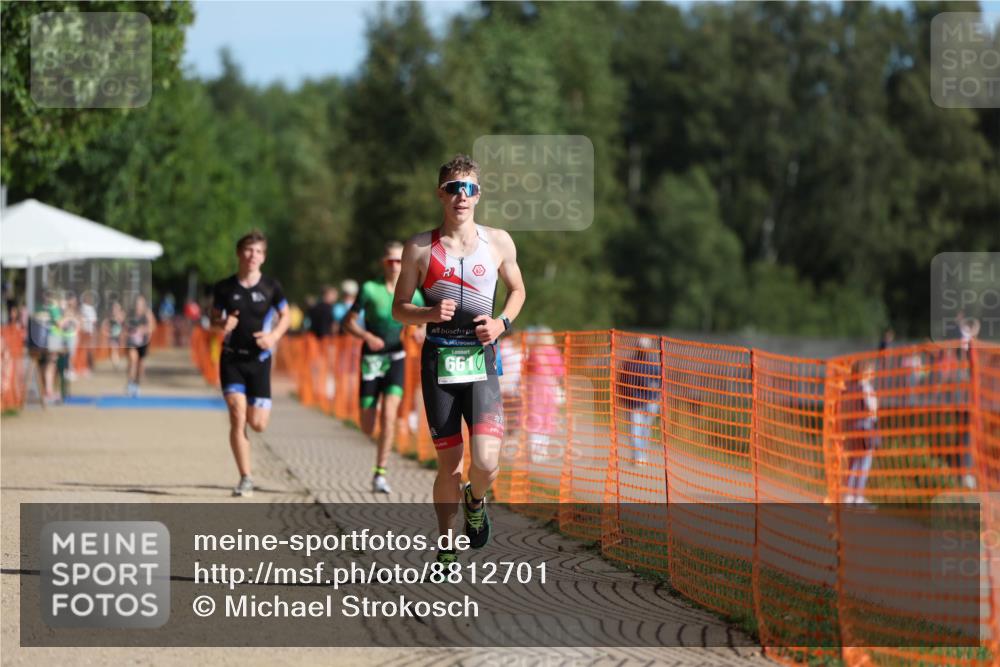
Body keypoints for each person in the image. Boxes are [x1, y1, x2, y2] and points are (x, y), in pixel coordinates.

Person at [392, 154, 526, 569]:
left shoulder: (499, 241)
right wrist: (428, 314)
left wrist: (502, 323)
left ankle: (476, 499)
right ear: (440, 194)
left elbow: (518, 291)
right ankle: (447, 547)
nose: (461, 196)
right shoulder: (418, 247)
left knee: (486, 461)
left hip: (480, 359)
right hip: (440, 364)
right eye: (453, 188)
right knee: (449, 465)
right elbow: (399, 307)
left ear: (478, 195)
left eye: (468, 189)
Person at [211, 230, 290, 497]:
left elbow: (286, 316)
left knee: (258, 424)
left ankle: (247, 470)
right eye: (248, 250)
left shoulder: (271, 287)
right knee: (237, 414)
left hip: (260, 361)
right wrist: (222, 323)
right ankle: (245, 477)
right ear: (239, 253)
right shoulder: (224, 287)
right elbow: (212, 321)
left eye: (258, 251)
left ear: (263, 257)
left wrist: (274, 336)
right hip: (232, 358)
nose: (252, 256)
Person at [344, 242, 426, 494]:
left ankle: (380, 473)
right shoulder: (369, 289)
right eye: (390, 260)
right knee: (368, 426)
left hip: (396, 358)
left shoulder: (413, 292)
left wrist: (421, 330)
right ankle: (375, 438)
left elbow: (425, 319)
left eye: (399, 260)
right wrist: (366, 336)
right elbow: (348, 322)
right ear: (383, 263)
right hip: (371, 360)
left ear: (405, 264)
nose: (394, 265)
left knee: (389, 414)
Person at [615, 336, 662, 465]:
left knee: (644, 430)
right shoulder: (630, 364)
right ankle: (638, 456)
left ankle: (641, 455)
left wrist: (656, 394)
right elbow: (621, 382)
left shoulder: (653, 365)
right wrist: (625, 396)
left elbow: (660, 382)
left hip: (650, 402)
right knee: (635, 430)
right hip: (635, 403)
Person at [842, 361, 879, 504]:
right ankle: (857, 496)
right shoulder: (865, 388)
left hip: (851, 428)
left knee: (852, 463)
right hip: (865, 429)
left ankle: (848, 494)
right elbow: (871, 409)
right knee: (864, 464)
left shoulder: (849, 387)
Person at [124, 294, 156, 397]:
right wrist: (129, 331)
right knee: (133, 360)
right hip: (132, 342)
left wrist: (143, 329)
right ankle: (130, 383)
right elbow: (124, 326)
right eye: (137, 303)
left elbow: (153, 327)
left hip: (143, 343)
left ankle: (137, 384)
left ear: (144, 305)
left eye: (141, 303)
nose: (139, 305)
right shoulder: (130, 314)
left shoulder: (147, 314)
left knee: (140, 365)